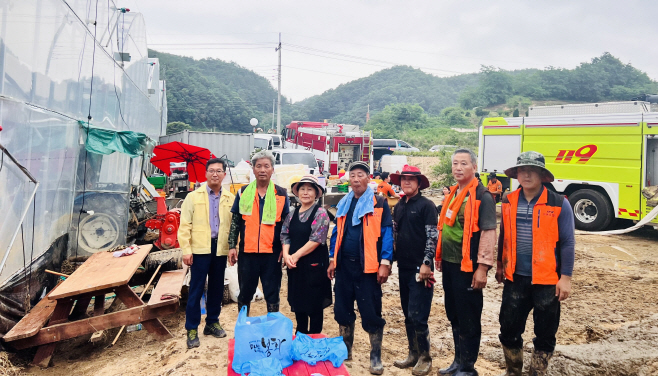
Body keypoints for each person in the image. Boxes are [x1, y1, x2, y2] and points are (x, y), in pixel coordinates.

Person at [496, 151, 575, 376]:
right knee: (509, 328)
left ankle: (537, 373)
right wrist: (501, 265)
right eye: (522, 170)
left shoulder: (559, 203)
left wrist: (566, 278)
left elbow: (568, 242)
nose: (527, 174)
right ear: (517, 174)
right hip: (515, 277)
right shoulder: (508, 200)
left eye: (532, 170)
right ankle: (513, 371)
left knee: (545, 332)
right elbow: (504, 235)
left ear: (542, 174)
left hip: (548, 280)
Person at [327, 161, 394, 375]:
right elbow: (337, 233)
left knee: (371, 311)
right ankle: (346, 349)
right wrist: (332, 259)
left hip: (368, 268)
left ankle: (375, 355)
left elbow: (387, 235)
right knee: (342, 309)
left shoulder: (379, 202)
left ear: (368, 178)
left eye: (360, 175)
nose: (356, 179)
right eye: (352, 175)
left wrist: (385, 262)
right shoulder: (345, 202)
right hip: (344, 266)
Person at [435, 149, 497, 376]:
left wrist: (482, 268)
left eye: (463, 163)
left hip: (469, 267)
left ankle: (468, 367)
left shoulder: (483, 196)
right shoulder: (452, 193)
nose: (458, 168)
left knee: (469, 315)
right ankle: (458, 362)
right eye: (454, 164)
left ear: (474, 167)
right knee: (454, 313)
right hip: (451, 264)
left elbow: (489, 234)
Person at [178, 158, 235, 349]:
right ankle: (192, 328)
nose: (215, 174)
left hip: (220, 248)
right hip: (200, 248)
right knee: (196, 288)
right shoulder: (193, 197)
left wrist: (233, 247)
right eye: (211, 170)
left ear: (224, 175)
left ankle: (212, 322)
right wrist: (186, 250)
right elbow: (184, 226)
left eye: (219, 171)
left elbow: (234, 226)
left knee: (217, 288)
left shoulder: (230, 198)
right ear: (206, 173)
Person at [389, 165, 438, 376]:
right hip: (404, 266)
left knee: (419, 315)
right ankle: (413, 353)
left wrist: (427, 262)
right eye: (403, 179)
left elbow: (432, 236)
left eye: (411, 179)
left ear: (419, 183)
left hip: (421, 268)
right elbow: (395, 235)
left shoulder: (427, 206)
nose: (407, 182)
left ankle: (425, 357)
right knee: (408, 313)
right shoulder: (399, 205)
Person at [228, 150, 290, 314]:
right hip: (247, 252)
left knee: (272, 292)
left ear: (272, 169)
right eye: (259, 166)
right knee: (245, 292)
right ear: (253, 169)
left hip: (272, 253)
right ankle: (243, 325)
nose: (262, 170)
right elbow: (235, 221)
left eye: (266, 166)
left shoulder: (282, 194)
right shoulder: (243, 192)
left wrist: (285, 250)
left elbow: (286, 226)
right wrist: (232, 246)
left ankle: (272, 327)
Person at [281, 175, 332, 334]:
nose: (305, 192)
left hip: (314, 265)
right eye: (302, 189)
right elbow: (285, 234)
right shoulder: (292, 214)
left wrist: (295, 256)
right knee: (298, 301)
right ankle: (301, 333)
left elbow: (317, 239)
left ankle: (314, 338)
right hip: (296, 266)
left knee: (314, 304)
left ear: (317, 193)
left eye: (310, 189)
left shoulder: (321, 213)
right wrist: (286, 255)